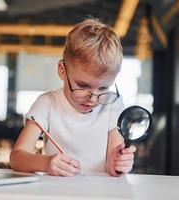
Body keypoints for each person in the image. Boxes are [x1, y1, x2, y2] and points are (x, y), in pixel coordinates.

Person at [10, 18, 136, 176]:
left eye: (104, 88)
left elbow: (114, 165)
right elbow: (16, 158)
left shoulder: (113, 104)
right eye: (83, 86)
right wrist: (47, 163)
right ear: (62, 70)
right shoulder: (47, 103)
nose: (94, 98)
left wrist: (119, 164)